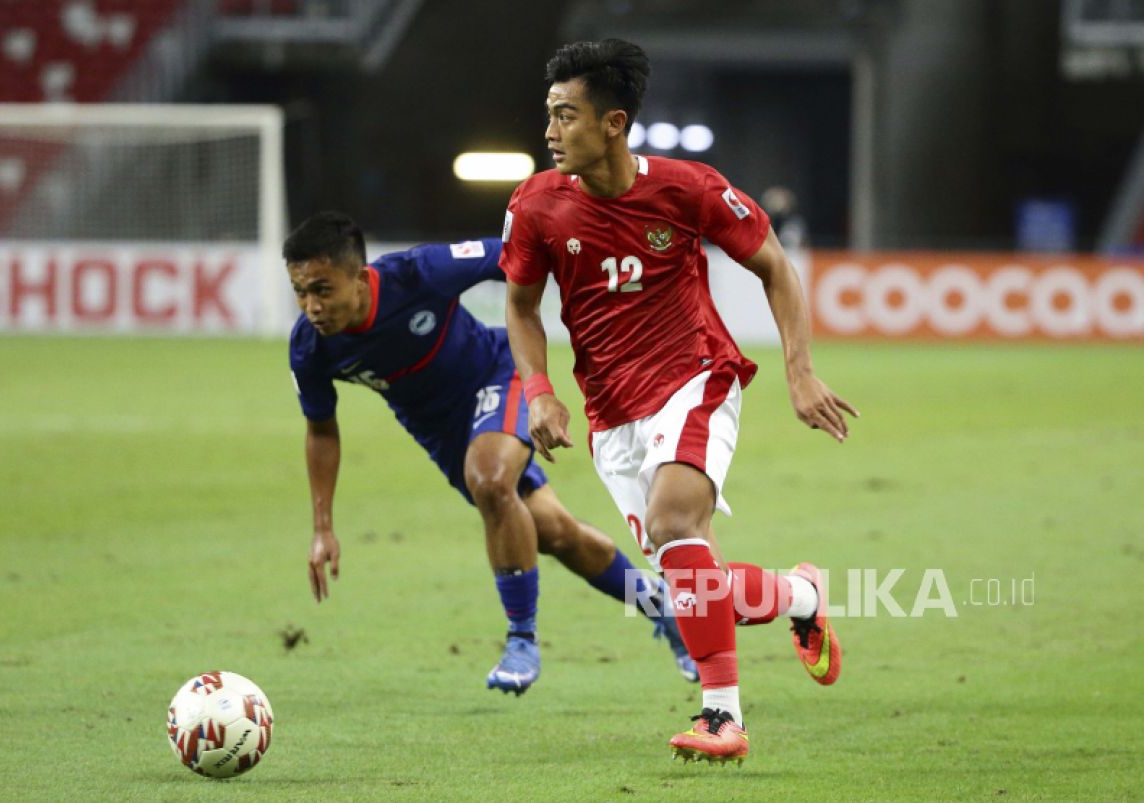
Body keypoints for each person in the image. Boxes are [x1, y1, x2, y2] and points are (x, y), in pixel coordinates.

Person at [501, 40, 859, 763]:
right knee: (697, 587)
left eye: (564, 115)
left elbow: (775, 268)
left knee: (673, 523)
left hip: (695, 377)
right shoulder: (536, 205)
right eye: (548, 115)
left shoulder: (689, 188)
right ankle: (799, 595)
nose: (549, 131)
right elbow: (520, 306)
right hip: (610, 414)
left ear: (613, 122)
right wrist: (539, 390)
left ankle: (722, 718)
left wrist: (799, 371)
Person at [283, 211, 697, 696]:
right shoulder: (310, 347)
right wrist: (323, 527)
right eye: (300, 291)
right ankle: (662, 607)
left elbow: (512, 255)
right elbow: (321, 431)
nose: (311, 306)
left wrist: (602, 297)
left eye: (322, 289)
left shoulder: (419, 273)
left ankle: (521, 638)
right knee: (557, 535)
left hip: (500, 375)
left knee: (490, 479)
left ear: (358, 277)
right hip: (442, 433)